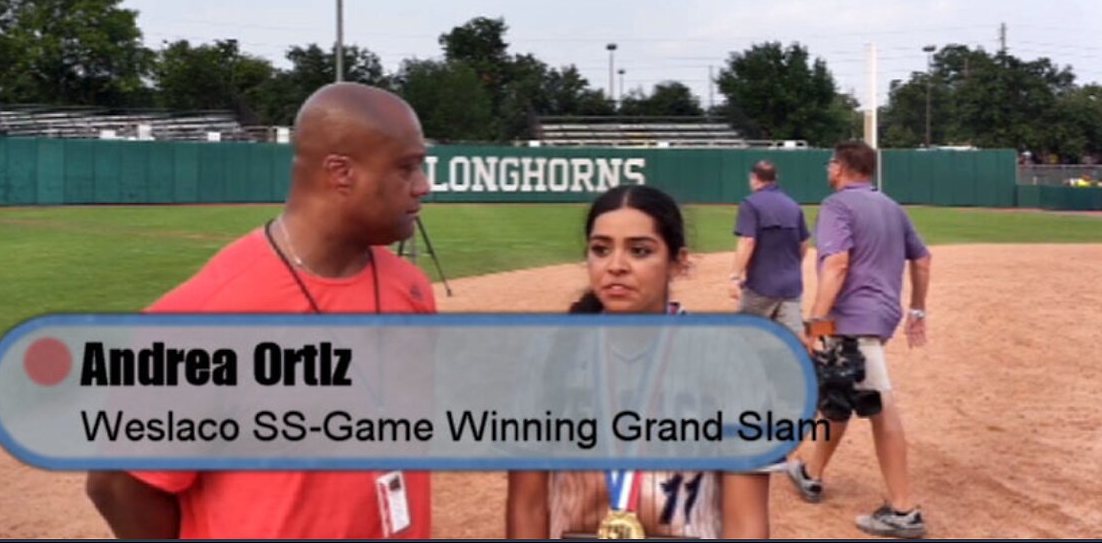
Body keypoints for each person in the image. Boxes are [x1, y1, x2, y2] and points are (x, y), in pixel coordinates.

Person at [84, 83, 437, 539]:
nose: (424, 184)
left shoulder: (410, 288)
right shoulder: (202, 322)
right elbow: (118, 486)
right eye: (406, 168)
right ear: (341, 173)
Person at [505, 184, 771, 539]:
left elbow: (745, 524)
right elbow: (528, 507)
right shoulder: (549, 353)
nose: (615, 266)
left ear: (678, 262)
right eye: (600, 250)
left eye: (640, 251)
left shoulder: (730, 359)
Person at [785, 140, 932, 539]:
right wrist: (917, 309)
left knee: (879, 404)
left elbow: (836, 264)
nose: (827, 170)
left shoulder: (837, 206)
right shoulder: (891, 206)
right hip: (875, 317)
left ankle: (903, 511)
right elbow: (922, 258)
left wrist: (815, 323)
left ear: (840, 167)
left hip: (852, 319)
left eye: (830, 164)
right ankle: (812, 473)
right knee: (841, 393)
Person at [728, 160, 810, 340]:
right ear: (776, 179)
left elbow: (748, 241)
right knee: (793, 342)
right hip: (792, 286)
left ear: (754, 178)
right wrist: (790, 267)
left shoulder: (751, 204)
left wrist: (735, 276)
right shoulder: (793, 205)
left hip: (761, 286)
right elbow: (804, 244)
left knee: (745, 338)